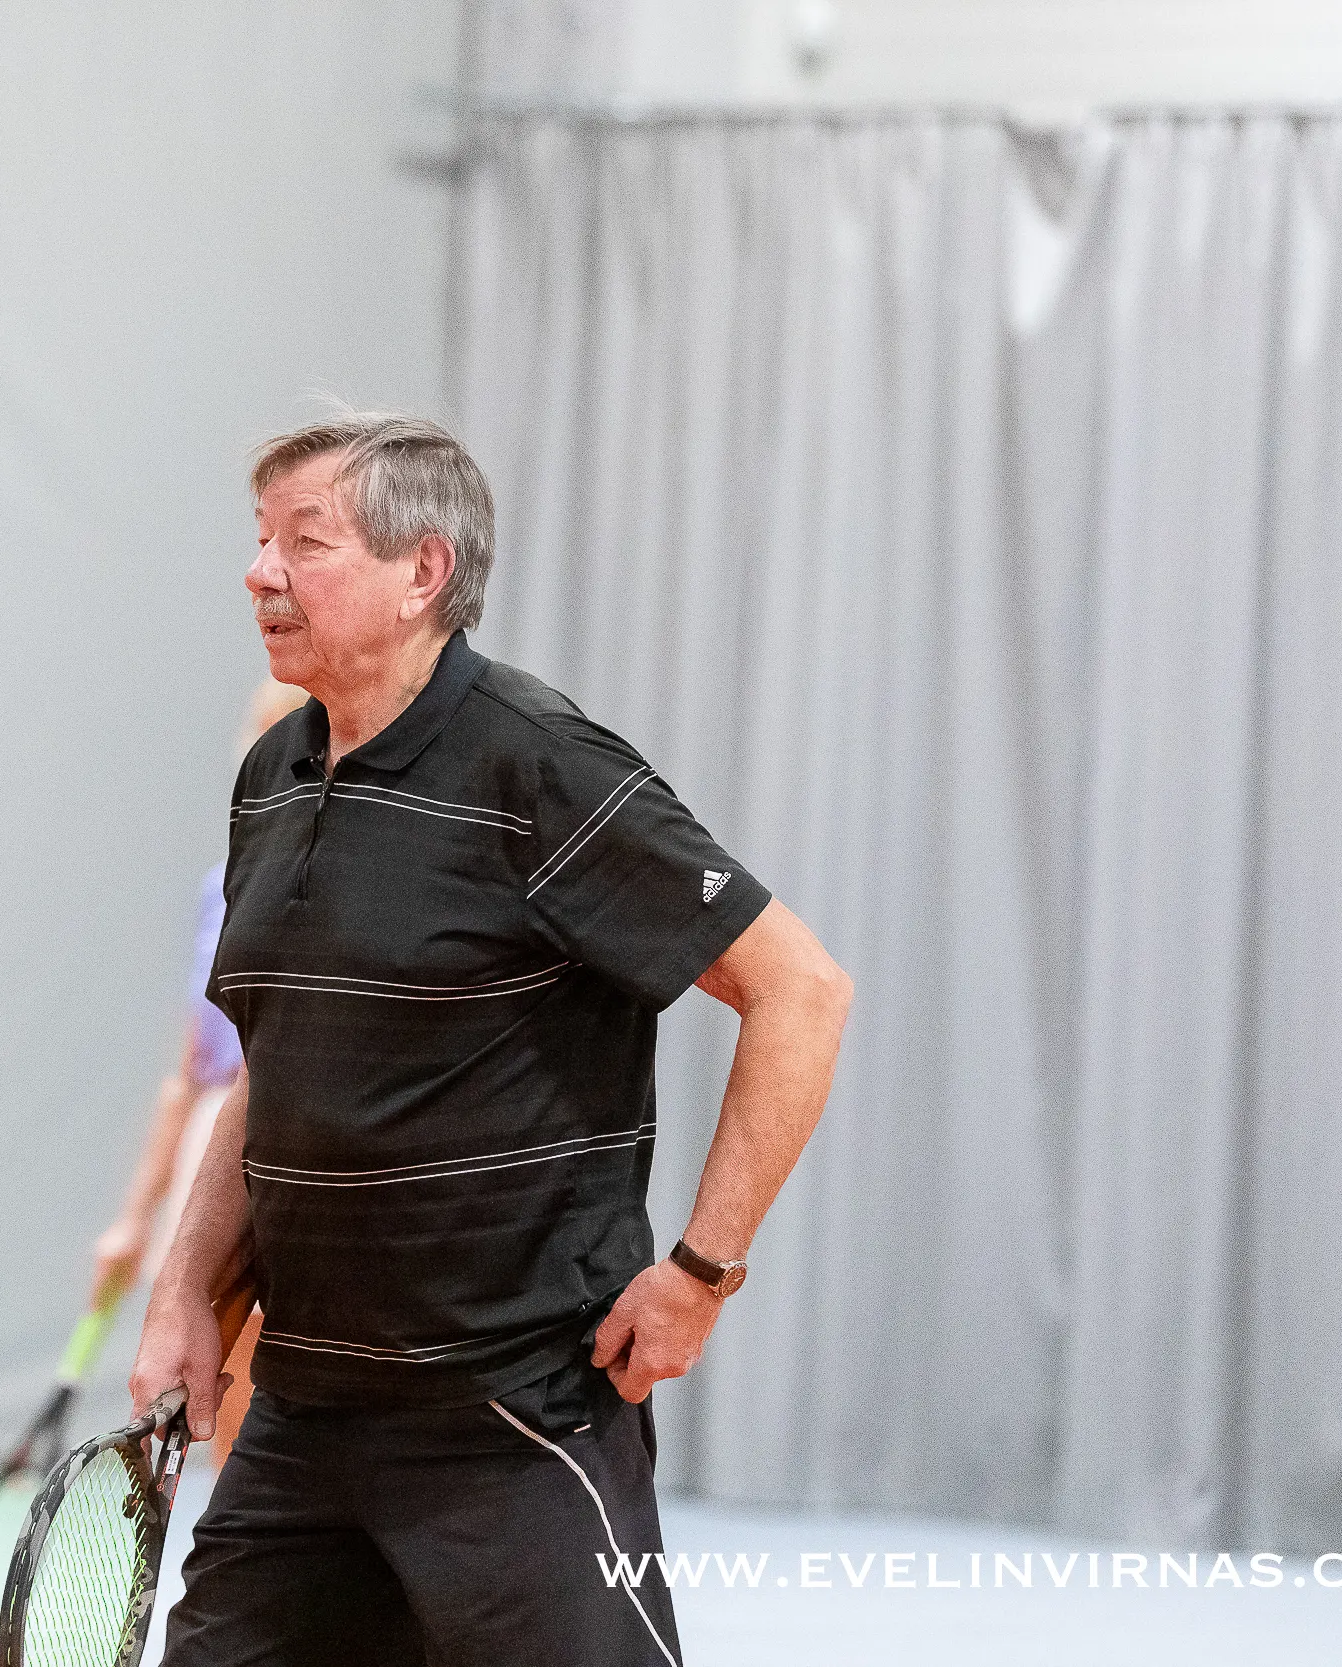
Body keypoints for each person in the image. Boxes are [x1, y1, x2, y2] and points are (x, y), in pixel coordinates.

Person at [131, 412, 852, 1665]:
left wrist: (699, 1270)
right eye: (258, 539)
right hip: (303, 1416)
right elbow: (276, 1063)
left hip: (514, 1418)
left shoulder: (541, 765)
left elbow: (801, 989)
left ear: (423, 570)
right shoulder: (273, 778)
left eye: (305, 541)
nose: (259, 572)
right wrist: (189, 1285)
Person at [89, 677, 305, 1465]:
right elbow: (189, 1072)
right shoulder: (223, 890)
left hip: (314, 1153)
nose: (269, 752)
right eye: (261, 732)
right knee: (221, 1387)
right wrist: (135, 1217)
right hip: (221, 1158)